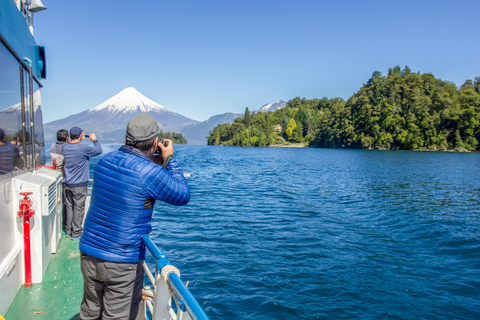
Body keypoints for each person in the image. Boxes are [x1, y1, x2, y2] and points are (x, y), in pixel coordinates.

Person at [79, 113, 190, 320]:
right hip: (121, 260)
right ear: (155, 142)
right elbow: (182, 195)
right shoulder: (149, 172)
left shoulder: (104, 161)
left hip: (89, 251)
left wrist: (153, 163)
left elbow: (128, 181)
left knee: (90, 312)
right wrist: (168, 159)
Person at [63, 127, 102, 240]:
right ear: (81, 135)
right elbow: (98, 150)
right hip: (80, 184)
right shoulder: (83, 148)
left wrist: (80, 137)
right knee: (79, 209)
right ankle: (76, 233)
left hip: (68, 183)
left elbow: (72, 143)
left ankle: (68, 230)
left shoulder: (65, 147)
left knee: (69, 208)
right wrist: (94, 140)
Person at [50, 129, 69, 232]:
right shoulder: (66, 148)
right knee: (66, 205)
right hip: (65, 179)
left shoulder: (52, 146)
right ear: (67, 138)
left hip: (55, 178)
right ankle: (66, 225)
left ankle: (58, 225)